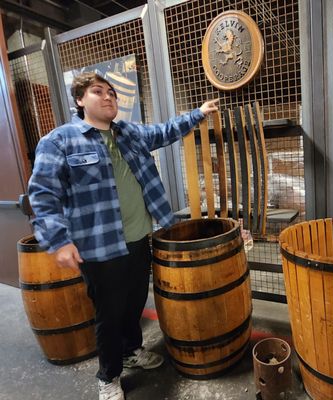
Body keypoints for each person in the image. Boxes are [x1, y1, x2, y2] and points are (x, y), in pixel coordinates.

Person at [28, 72, 219, 400]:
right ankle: (108, 377)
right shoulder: (60, 141)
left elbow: (164, 131)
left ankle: (132, 350)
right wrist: (58, 240)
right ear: (79, 100)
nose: (108, 98)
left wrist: (198, 113)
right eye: (98, 92)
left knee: (133, 303)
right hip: (100, 248)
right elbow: (43, 194)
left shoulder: (130, 134)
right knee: (109, 315)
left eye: (112, 93)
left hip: (138, 237)